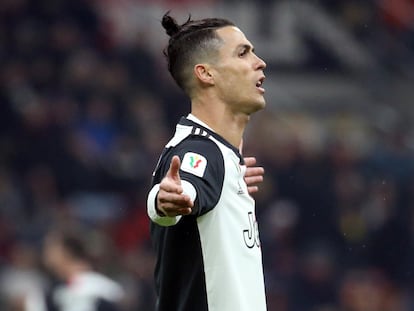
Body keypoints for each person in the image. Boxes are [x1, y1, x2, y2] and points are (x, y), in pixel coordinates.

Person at [146, 12, 267, 311]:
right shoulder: (200, 151)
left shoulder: (222, 157)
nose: (260, 62)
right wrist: (166, 201)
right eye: (243, 53)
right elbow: (179, 190)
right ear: (206, 74)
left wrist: (230, 179)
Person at [25, 230, 125, 311]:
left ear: (67, 252)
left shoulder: (101, 287)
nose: (46, 254)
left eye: (51, 248)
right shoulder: (46, 293)